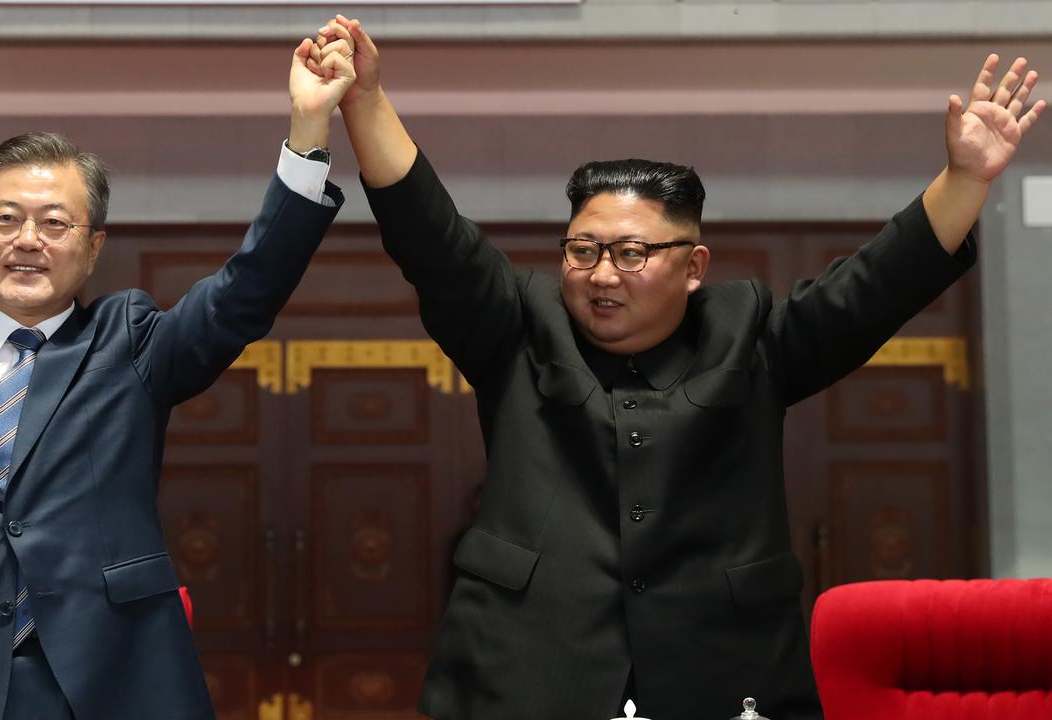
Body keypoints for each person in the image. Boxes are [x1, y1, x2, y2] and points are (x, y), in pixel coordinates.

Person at [310, 16, 1044, 719]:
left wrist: (967, 179)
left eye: (631, 254)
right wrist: (366, 100)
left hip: (723, 673)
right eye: (583, 250)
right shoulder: (517, 329)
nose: (602, 274)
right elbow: (430, 235)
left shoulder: (749, 337)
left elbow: (873, 289)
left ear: (693, 266)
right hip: (528, 673)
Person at [0, 38, 356, 720]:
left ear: (94, 245)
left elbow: (243, 293)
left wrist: (307, 137)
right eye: (5, 219)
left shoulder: (125, 341)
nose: (27, 239)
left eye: (54, 223)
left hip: (116, 685)